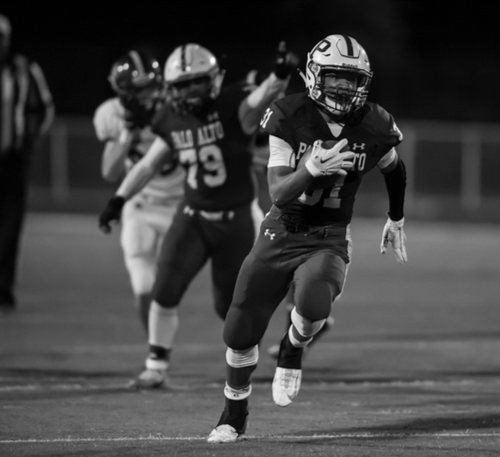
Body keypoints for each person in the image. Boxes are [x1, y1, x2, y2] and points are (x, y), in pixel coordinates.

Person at [208, 34, 408, 443]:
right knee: (239, 330)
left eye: (351, 80)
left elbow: (393, 166)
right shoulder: (288, 113)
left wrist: (396, 217)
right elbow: (279, 192)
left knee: (315, 302)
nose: (342, 87)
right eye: (334, 77)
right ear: (316, 75)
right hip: (280, 230)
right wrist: (311, 168)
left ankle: (293, 347)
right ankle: (234, 413)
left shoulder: (373, 123)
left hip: (329, 236)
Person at [98, 42, 298, 388]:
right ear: (171, 88)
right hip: (192, 216)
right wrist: (118, 199)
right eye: (182, 84)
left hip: (235, 220)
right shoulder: (170, 119)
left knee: (230, 306)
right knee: (164, 287)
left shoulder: (232, 107)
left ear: (214, 81)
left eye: (197, 82)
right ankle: (156, 365)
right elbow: (148, 163)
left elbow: (261, 97)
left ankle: (261, 347)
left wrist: (279, 74)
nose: (190, 91)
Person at [93, 49, 185, 332]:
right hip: (141, 203)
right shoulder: (111, 114)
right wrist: (126, 134)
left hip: (181, 205)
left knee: (169, 285)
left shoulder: (177, 106)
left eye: (152, 87)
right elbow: (109, 171)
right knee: (143, 282)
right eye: (139, 89)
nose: (149, 95)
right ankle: (156, 353)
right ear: (122, 91)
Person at [0, 13, 54, 313]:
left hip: (12, 157)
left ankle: (3, 287)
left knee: (10, 224)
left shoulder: (23, 70)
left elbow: (44, 106)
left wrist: (29, 142)